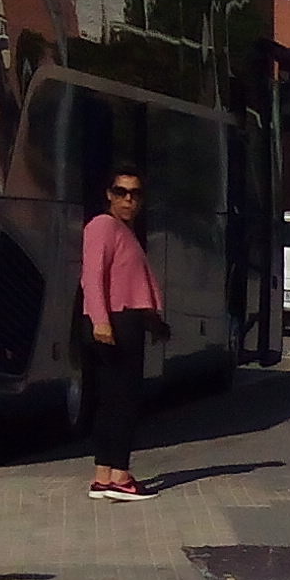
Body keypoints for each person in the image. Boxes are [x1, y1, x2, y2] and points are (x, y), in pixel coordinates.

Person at [79, 168, 161, 502]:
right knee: (124, 401)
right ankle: (120, 477)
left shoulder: (123, 230)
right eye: (121, 192)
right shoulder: (103, 226)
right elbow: (92, 275)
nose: (129, 200)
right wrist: (101, 321)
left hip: (121, 320)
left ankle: (104, 476)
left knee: (112, 400)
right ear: (109, 195)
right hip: (115, 321)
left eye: (135, 194)